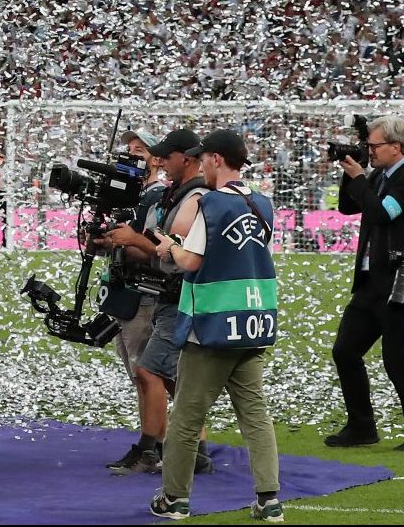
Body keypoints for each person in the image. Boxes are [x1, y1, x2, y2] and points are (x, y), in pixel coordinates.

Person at [149, 129, 283, 522]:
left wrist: (168, 246)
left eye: (204, 158)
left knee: (188, 416)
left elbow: (189, 262)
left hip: (211, 323)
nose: (202, 164)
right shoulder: (263, 203)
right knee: (255, 414)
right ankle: (269, 499)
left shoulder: (212, 204)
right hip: (253, 320)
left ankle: (174, 498)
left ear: (217, 159)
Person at [94, 127, 209, 476]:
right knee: (171, 379)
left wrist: (133, 241)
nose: (158, 161)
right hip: (166, 297)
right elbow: (159, 245)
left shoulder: (195, 196)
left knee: (148, 371)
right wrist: (117, 240)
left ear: (185, 159)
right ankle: (195, 450)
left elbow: (175, 252)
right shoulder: (176, 194)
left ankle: (153, 449)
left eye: (162, 155)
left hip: (178, 296)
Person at [326, 115, 404, 450]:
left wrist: (361, 178)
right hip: (372, 281)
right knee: (345, 351)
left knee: (397, 361)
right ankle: (362, 427)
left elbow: (381, 214)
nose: (368, 151)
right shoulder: (379, 175)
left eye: (373, 146)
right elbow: (348, 207)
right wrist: (352, 173)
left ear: (395, 147)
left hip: (401, 282)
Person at [90, 129, 172, 473]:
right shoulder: (138, 194)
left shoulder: (159, 195)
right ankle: (164, 446)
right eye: (129, 148)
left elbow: (157, 247)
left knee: (152, 376)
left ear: (156, 158)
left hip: (146, 295)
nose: (131, 155)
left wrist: (121, 242)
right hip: (131, 294)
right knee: (147, 376)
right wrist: (108, 242)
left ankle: (160, 449)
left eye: (139, 150)